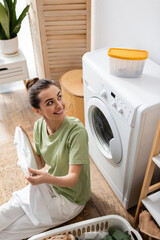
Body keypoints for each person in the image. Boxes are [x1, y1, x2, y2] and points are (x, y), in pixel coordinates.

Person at [0, 78, 91, 240]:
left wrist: (47, 178)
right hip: (50, 184)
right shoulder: (39, 127)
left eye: (59, 96)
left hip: (71, 199)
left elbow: (73, 179)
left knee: (10, 231)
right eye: (50, 102)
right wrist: (26, 143)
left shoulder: (76, 132)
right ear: (38, 111)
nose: (60, 105)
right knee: (8, 209)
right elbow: (41, 162)